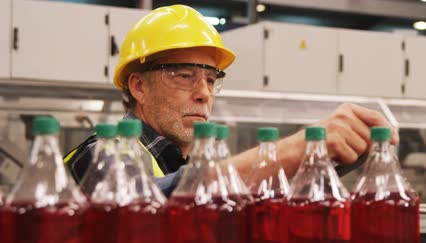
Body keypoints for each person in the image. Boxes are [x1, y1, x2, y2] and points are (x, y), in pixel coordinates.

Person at [64, 4, 398, 196]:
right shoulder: (102, 153)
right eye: (184, 76)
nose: (204, 93)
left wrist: (316, 168)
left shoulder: (182, 160)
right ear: (138, 87)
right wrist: (292, 151)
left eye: (211, 79)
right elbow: (143, 204)